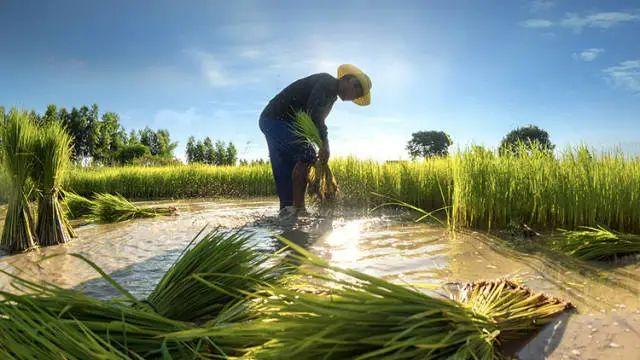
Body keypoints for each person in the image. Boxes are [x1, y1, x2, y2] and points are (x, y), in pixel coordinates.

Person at [259, 64, 372, 217]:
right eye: (356, 93)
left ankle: (286, 216)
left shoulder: (331, 95)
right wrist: (325, 145)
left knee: (286, 167)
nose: (352, 99)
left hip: (272, 121)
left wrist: (323, 143)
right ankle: (300, 210)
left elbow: (317, 119)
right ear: (349, 80)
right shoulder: (327, 83)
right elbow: (315, 114)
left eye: (356, 98)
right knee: (307, 154)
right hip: (277, 120)